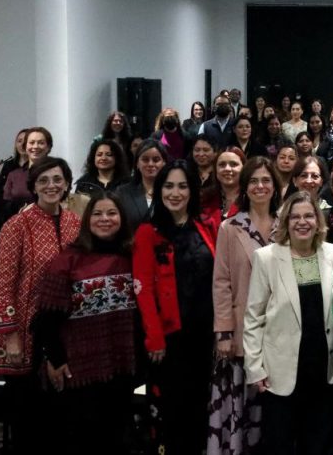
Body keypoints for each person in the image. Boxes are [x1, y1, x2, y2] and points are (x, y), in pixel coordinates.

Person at [243, 191, 333, 454]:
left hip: (325, 370)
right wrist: (255, 368)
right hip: (281, 372)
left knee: (319, 444)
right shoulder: (267, 258)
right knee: (280, 444)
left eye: (309, 215)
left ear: (318, 220)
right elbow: (253, 317)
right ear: (286, 222)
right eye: (295, 216)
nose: (302, 222)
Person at [35, 192, 137, 455]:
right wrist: (55, 360)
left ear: (122, 219)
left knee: (119, 438)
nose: (105, 219)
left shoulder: (132, 255)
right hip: (79, 372)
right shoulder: (67, 260)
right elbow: (46, 318)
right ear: (87, 219)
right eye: (98, 214)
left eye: (112, 213)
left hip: (121, 366)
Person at [0, 156, 80, 454]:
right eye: (43, 180)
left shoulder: (75, 222)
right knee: (29, 421)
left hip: (64, 332)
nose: (51, 185)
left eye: (57, 179)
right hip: (25, 334)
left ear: (67, 183)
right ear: (33, 186)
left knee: (63, 418)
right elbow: (3, 285)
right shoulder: (16, 225)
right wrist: (11, 336)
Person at [133, 161, 219, 455]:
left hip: (204, 336)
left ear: (193, 190)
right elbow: (142, 288)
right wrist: (154, 337)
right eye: (168, 186)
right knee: (170, 415)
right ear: (159, 190)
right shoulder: (148, 231)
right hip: (169, 340)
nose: (175, 192)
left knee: (200, 411)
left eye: (183, 186)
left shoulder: (205, 226)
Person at [210, 157, 281, 454]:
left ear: (275, 186)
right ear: (245, 187)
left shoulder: (288, 224)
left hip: (280, 331)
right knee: (243, 404)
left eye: (266, 180)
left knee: (275, 410)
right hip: (240, 332)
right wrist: (224, 332)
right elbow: (222, 281)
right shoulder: (230, 227)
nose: (260, 186)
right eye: (254, 181)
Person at [114, 139, 169, 231]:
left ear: (164, 163)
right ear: (137, 164)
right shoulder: (122, 193)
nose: (150, 164)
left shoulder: (173, 192)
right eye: (145, 160)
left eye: (156, 160)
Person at [2, 126, 52, 205]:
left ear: (48, 147)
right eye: (31, 143)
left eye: (41, 143)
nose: (35, 146)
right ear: (25, 147)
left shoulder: (58, 172)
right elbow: (6, 205)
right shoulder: (14, 175)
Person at [189, 133, 221, 216]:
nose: (201, 154)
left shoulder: (220, 175)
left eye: (206, 150)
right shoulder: (187, 173)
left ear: (215, 153)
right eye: (197, 150)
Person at [0, 129, 29, 195]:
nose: (22, 144)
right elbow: (0, 188)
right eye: (19, 141)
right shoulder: (8, 165)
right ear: (16, 144)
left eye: (26, 141)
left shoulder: (36, 165)